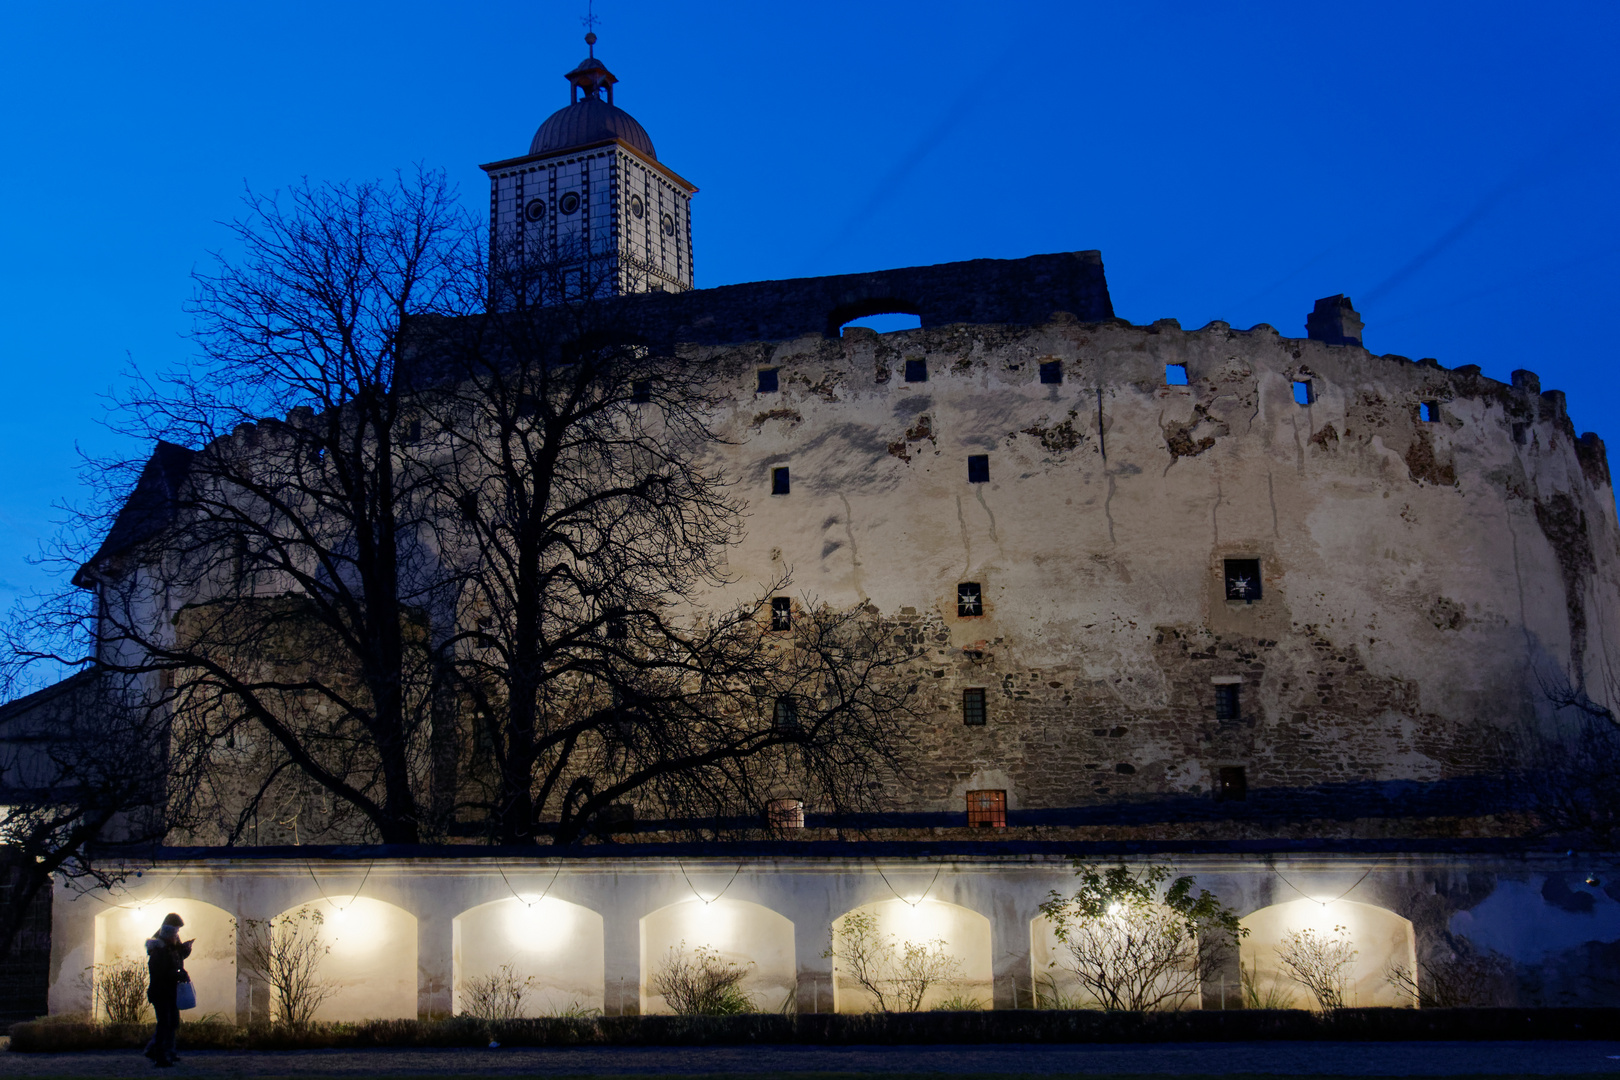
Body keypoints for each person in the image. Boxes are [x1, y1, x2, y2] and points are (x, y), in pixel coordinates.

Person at [143, 912, 192, 1067]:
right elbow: (161, 972)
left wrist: (186, 950)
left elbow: (175, 962)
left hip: (168, 991)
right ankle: (159, 1054)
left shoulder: (168, 949)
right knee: (165, 1023)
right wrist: (177, 974)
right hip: (161, 992)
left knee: (171, 1023)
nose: (177, 936)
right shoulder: (160, 951)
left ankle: (161, 1051)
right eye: (176, 933)